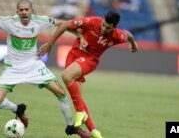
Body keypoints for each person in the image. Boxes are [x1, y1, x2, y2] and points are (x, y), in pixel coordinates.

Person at [0, 0, 90, 138]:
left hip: (33, 65)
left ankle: (72, 127)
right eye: (21, 10)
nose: (24, 12)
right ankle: (18, 109)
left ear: (32, 11)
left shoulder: (40, 21)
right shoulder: (8, 21)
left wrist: (80, 36)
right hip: (13, 68)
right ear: (17, 12)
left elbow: (64, 24)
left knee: (60, 92)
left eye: (26, 9)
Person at [38, 10, 138, 138]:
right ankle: (94, 132)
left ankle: (80, 112)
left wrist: (133, 44)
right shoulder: (91, 22)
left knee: (66, 76)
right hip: (73, 56)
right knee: (78, 98)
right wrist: (50, 44)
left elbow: (128, 34)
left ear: (114, 27)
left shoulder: (117, 35)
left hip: (90, 60)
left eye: (108, 28)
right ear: (102, 20)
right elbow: (64, 25)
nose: (103, 29)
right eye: (103, 25)